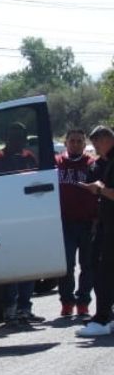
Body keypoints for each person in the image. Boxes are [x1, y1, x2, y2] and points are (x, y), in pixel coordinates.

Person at [0, 122, 44, 326]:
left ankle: (25, 308)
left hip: (28, 219)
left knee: (29, 266)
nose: (17, 141)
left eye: (20, 137)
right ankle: (10, 309)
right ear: (6, 138)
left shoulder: (29, 158)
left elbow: (39, 184)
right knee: (12, 267)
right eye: (13, 137)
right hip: (5, 220)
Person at [75, 125, 114, 337]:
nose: (95, 148)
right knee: (102, 269)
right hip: (105, 224)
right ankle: (106, 314)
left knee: (104, 272)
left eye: (97, 143)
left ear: (106, 139)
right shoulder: (105, 162)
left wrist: (99, 189)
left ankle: (102, 318)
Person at [55, 129, 97, 317]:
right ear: (66, 143)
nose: (76, 144)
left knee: (87, 265)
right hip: (64, 222)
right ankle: (66, 301)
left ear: (85, 143)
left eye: (80, 141)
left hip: (88, 222)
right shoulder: (57, 163)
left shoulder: (91, 164)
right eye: (72, 141)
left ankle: (83, 302)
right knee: (67, 264)